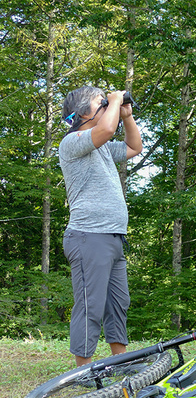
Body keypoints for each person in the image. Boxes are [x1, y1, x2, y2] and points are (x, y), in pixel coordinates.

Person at [59, 87, 142, 366]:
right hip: (88, 236)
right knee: (89, 306)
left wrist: (126, 116)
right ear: (83, 112)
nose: (107, 105)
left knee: (118, 304)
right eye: (100, 102)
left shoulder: (102, 147)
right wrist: (116, 100)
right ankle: (83, 371)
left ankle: (121, 363)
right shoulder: (72, 142)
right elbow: (106, 130)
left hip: (113, 237)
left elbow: (134, 148)